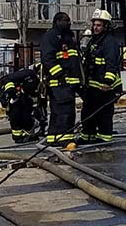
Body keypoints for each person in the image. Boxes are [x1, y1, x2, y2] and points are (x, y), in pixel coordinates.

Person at [40, 11, 82, 147]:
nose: (69, 23)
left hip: (67, 83)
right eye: (66, 21)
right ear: (57, 21)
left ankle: (53, 138)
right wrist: (60, 75)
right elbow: (47, 58)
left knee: (58, 111)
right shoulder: (51, 37)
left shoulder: (68, 38)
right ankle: (65, 138)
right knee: (66, 112)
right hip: (60, 82)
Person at [80, 9, 122, 144]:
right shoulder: (94, 41)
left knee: (103, 114)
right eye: (95, 25)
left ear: (106, 26)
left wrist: (108, 82)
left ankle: (104, 138)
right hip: (93, 86)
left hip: (105, 87)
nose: (95, 27)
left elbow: (112, 64)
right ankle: (87, 136)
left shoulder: (110, 42)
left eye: (99, 25)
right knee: (88, 112)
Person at [0, 62, 46, 143]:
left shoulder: (39, 83)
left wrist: (43, 121)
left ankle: (26, 134)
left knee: (27, 113)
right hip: (10, 95)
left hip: (23, 98)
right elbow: (6, 79)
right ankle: (18, 136)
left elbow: (41, 101)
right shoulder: (28, 73)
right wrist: (12, 91)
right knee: (16, 113)